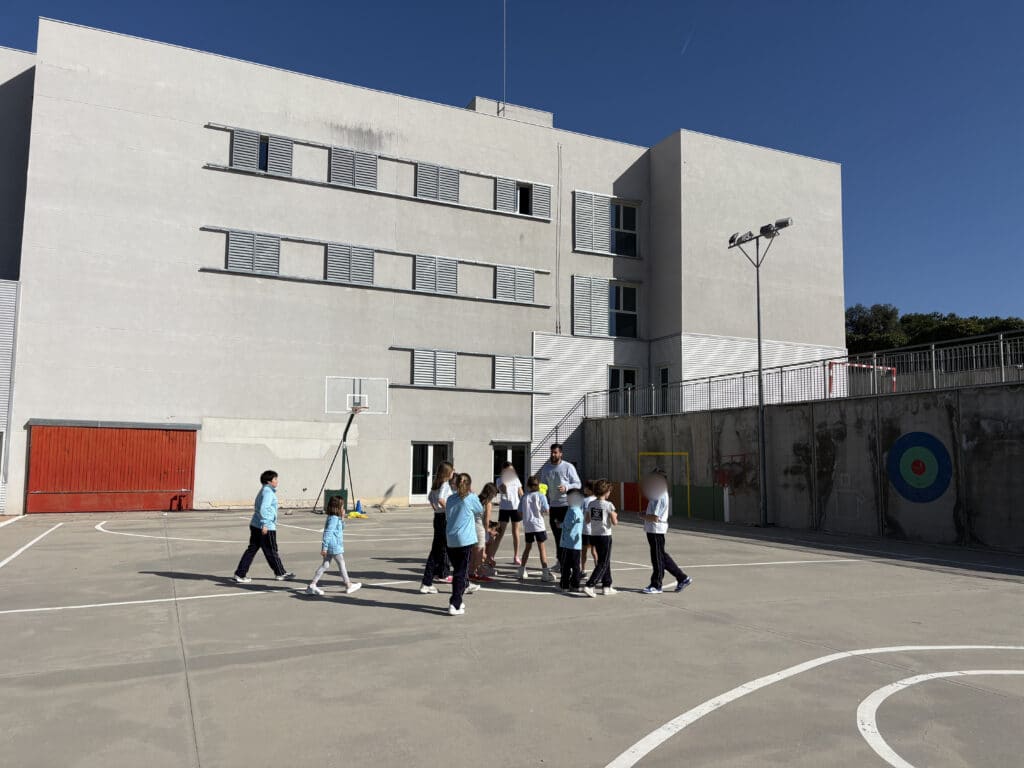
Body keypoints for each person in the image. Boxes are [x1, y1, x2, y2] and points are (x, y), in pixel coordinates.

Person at [233, 470, 294, 583]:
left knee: (252, 550)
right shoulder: (268, 492)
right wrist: (265, 523)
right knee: (271, 550)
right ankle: (280, 573)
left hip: (256, 524)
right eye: (275, 479)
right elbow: (264, 508)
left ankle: (240, 574)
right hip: (265, 527)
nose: (277, 481)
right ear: (269, 481)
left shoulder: (264, 490)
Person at [640, 468, 692, 595]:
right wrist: (645, 514)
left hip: (656, 529)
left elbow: (655, 517)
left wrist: (642, 516)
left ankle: (656, 584)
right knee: (661, 556)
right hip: (653, 529)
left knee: (657, 558)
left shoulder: (660, 494)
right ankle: (682, 578)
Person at [305, 495, 362, 596]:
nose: (343, 507)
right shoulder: (333, 519)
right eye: (342, 506)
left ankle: (312, 585)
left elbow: (341, 528)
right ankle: (348, 585)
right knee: (341, 564)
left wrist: (342, 518)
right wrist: (324, 547)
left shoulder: (335, 518)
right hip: (334, 546)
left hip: (332, 545)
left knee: (325, 565)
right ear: (337, 507)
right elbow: (327, 533)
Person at [445, 473, 483, 616]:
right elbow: (480, 510)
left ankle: (458, 601)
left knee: (458, 571)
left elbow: (448, 516)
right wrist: (473, 495)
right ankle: (455, 603)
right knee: (460, 573)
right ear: (469, 485)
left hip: (451, 539)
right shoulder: (470, 498)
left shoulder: (450, 499)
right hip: (464, 540)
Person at [539, 443, 581, 571]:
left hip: (566, 506)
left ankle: (572, 564)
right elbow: (543, 487)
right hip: (554, 506)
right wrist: (543, 503)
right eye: (551, 452)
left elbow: (578, 484)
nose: (553, 455)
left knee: (568, 535)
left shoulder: (568, 467)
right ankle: (560, 561)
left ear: (561, 454)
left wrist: (566, 487)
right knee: (558, 536)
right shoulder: (546, 469)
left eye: (555, 452)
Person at [420, 462, 454, 595]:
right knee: (452, 550)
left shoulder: (436, 484)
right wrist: (450, 511)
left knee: (437, 551)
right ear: (448, 473)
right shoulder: (445, 485)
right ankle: (464, 582)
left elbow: (430, 497)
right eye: (452, 471)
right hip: (444, 518)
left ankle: (427, 582)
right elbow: (440, 499)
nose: (453, 473)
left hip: (438, 517)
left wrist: (436, 509)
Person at [582, 479, 617, 597]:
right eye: (609, 491)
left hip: (594, 535)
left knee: (604, 560)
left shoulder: (591, 504)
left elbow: (587, 520)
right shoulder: (609, 505)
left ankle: (607, 585)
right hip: (605, 536)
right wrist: (614, 515)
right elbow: (615, 522)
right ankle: (590, 585)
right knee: (603, 562)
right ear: (606, 492)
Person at [517, 475, 555, 582]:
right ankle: (545, 572)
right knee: (541, 548)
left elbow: (519, 512)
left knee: (527, 547)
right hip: (538, 525)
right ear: (538, 485)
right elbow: (546, 510)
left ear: (528, 485)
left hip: (528, 525)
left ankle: (521, 570)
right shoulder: (541, 496)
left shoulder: (524, 497)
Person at [489, 462, 524, 565]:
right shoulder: (499, 480)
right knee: (500, 532)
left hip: (516, 508)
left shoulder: (516, 479)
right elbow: (503, 490)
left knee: (516, 532)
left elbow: (521, 493)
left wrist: (524, 504)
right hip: (504, 508)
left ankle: (516, 556)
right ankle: (491, 556)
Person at [471, 482, 497, 582]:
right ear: (492, 493)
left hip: (472, 527)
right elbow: (486, 520)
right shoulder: (488, 503)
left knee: (473, 552)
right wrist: (489, 531)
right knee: (480, 553)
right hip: (480, 529)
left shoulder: (477, 499)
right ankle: (479, 573)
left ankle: (471, 572)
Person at [559, 488, 584, 591]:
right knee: (576, 565)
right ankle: (575, 585)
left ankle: (564, 585)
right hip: (576, 544)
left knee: (565, 565)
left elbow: (568, 525)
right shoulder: (579, 510)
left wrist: (560, 524)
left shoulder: (572, 510)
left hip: (568, 543)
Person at [579, 479, 597, 578]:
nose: (584, 489)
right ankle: (598, 570)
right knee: (594, 551)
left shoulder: (585, 501)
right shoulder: (597, 500)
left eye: (585, 487)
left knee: (584, 551)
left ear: (589, 490)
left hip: (585, 530)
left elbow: (580, 514)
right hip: (594, 530)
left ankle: (583, 570)